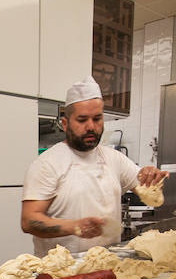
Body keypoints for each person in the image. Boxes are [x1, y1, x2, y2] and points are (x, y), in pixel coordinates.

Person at [21, 76, 167, 256]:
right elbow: (29, 220)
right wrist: (74, 227)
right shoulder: (48, 164)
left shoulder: (114, 159)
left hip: (108, 268)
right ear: (65, 124)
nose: (91, 126)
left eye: (97, 119)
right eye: (82, 120)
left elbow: (148, 192)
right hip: (60, 273)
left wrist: (151, 178)